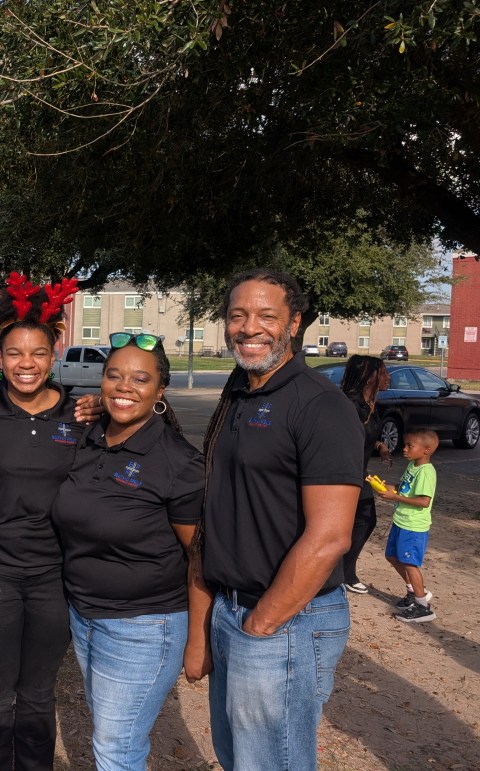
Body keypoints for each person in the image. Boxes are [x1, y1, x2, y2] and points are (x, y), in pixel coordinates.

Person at [201, 269, 364, 771]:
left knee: (269, 763)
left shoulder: (320, 405)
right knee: (239, 758)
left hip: (286, 619)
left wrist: (263, 624)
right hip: (233, 611)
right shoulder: (240, 389)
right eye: (238, 315)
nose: (250, 327)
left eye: (266, 316)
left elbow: (330, 536)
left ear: (293, 323)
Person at [51, 333, 210, 770]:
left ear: (160, 391)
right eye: (114, 376)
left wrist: (199, 639)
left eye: (140, 379)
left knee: (116, 747)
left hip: (143, 625)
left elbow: (200, 558)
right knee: (110, 734)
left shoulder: (179, 463)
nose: (124, 387)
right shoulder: (89, 438)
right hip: (85, 616)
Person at [0, 273, 84, 770]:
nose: (26, 364)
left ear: (53, 355)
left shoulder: (81, 416)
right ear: (0, 359)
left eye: (37, 353)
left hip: (56, 575)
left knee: (38, 691)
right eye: (14, 354)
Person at [339, 355, 392, 593]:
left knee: (365, 520)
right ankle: (342, 574)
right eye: (383, 372)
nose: (388, 377)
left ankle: (343, 572)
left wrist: (379, 445)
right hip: (345, 475)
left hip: (360, 473)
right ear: (370, 377)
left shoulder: (370, 404)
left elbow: (365, 434)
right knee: (361, 520)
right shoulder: (351, 406)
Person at [376, 428, 439, 623]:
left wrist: (394, 497)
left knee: (410, 564)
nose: (404, 449)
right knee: (392, 556)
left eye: (410, 446)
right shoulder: (413, 465)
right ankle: (413, 591)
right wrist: (388, 488)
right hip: (401, 521)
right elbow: (404, 488)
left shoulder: (426, 472)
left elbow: (423, 501)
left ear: (426, 450)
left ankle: (423, 607)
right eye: (405, 445)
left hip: (413, 526)